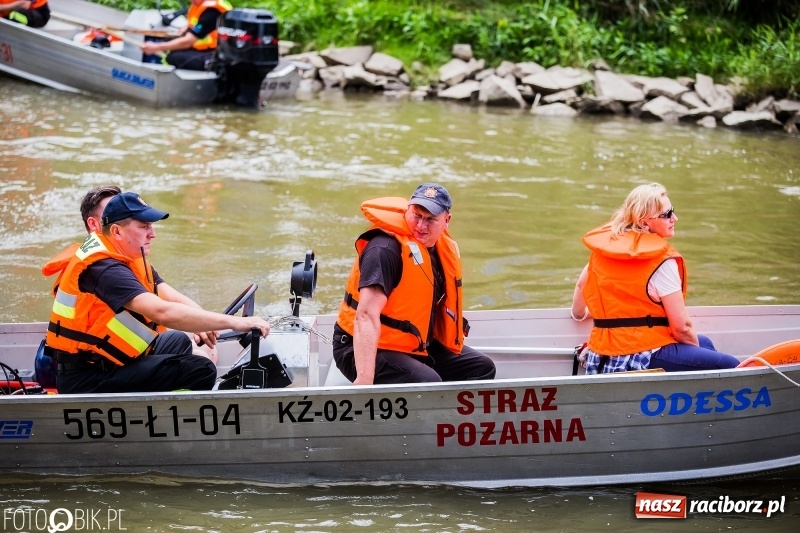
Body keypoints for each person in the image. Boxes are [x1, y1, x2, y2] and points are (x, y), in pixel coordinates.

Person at [43, 191, 270, 394]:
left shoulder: (124, 257)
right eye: (144, 227)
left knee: (178, 340)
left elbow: (171, 298)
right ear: (117, 231)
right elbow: (162, 312)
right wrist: (234, 323)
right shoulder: (104, 269)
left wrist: (206, 323)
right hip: (88, 378)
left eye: (151, 226)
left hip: (111, 360)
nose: (153, 234)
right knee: (200, 370)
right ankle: (167, 416)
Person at [332, 183, 496, 385]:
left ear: (446, 221)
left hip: (412, 344)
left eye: (430, 220)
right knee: (427, 381)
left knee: (482, 369)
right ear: (408, 209)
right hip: (359, 348)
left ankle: (445, 416)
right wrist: (364, 380)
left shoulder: (441, 249)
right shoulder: (384, 249)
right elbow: (365, 316)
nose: (421, 226)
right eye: (417, 215)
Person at [570, 182, 740, 374]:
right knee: (731, 365)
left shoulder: (603, 252)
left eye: (672, 211)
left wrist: (579, 314)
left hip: (602, 354)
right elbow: (682, 328)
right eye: (666, 214)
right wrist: (693, 350)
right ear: (644, 222)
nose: (675, 218)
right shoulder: (662, 262)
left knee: (706, 343)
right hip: (639, 356)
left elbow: (580, 286)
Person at [139, 0, 232, 71]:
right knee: (168, 43)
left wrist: (155, 47)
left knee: (174, 57)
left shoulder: (211, 11)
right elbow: (195, 25)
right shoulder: (200, 5)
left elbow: (187, 42)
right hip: (204, 48)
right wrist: (184, 29)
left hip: (215, 54)